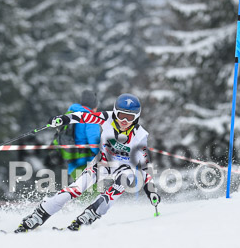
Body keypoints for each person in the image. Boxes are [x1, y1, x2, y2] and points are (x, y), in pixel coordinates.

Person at [15, 93, 160, 232]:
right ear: (115, 112)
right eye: (121, 116)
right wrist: (64, 119)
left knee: (123, 181)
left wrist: (151, 190)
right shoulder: (107, 118)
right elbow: (84, 116)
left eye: (129, 118)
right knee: (75, 189)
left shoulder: (140, 135)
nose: (124, 121)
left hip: (125, 169)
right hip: (102, 163)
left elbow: (145, 165)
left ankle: (91, 213)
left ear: (136, 118)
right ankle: (39, 215)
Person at [47, 90, 101, 181]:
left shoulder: (71, 114)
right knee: (92, 192)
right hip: (87, 161)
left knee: (81, 191)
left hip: (71, 161)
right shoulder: (91, 118)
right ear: (94, 105)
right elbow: (94, 141)